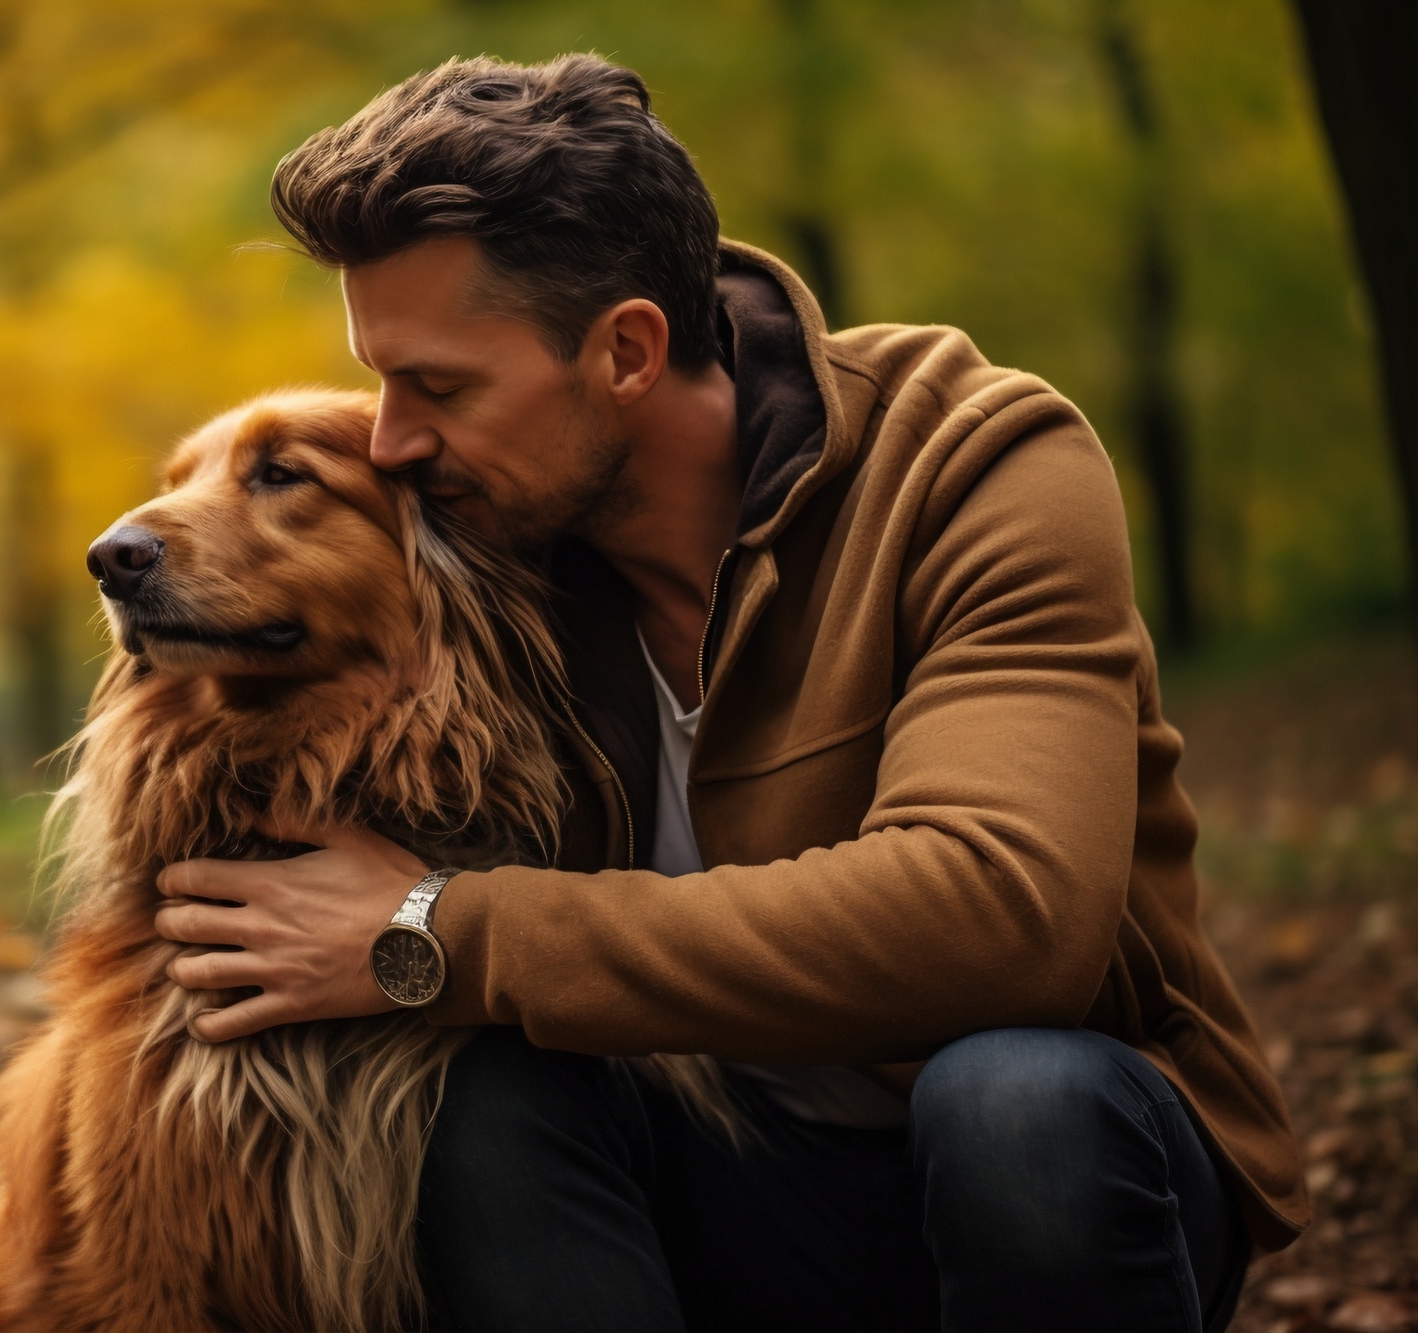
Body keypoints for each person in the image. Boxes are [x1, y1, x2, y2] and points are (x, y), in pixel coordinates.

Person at [150, 53, 1305, 1331]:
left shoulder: (973, 463)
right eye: (380, 380)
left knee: (1011, 1099)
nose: (390, 442)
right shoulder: (490, 559)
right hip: (739, 1183)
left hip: (1061, 1182)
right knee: (485, 1105)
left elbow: (1003, 912)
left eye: (438, 386)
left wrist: (435, 929)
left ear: (627, 353)